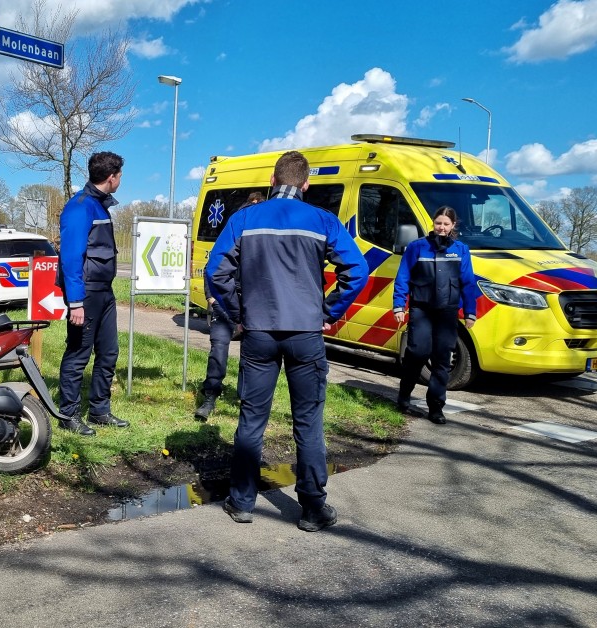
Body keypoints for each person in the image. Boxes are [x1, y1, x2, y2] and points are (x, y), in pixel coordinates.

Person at [206, 151, 368, 531]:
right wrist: (329, 311)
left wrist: (237, 314)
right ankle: (312, 508)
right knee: (308, 422)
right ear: (306, 183)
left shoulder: (245, 218)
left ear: (273, 180)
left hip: (259, 332)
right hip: (305, 334)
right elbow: (356, 270)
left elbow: (216, 271)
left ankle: (242, 502)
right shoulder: (322, 220)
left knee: (251, 420)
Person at [56, 151, 130, 436]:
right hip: (84, 295)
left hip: (104, 293)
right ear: (111, 178)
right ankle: (68, 414)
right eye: (121, 175)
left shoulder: (101, 206)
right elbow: (71, 258)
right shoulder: (80, 207)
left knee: (109, 352)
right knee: (77, 354)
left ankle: (100, 410)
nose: (121, 180)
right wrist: (75, 302)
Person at [393, 205, 478, 425]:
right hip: (421, 309)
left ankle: (436, 407)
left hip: (447, 312)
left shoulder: (460, 250)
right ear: (433, 222)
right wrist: (399, 306)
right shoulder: (417, 247)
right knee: (417, 353)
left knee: (442, 360)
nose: (441, 227)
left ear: (453, 226)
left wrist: (470, 312)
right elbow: (403, 277)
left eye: (446, 224)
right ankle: (404, 394)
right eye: (438, 223)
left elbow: (468, 283)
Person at [195, 191, 265, 421]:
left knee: (250, 352)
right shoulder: (234, 229)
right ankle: (211, 395)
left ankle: (245, 397)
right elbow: (212, 267)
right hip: (225, 301)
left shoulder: (262, 239)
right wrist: (211, 297)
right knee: (218, 349)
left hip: (252, 302)